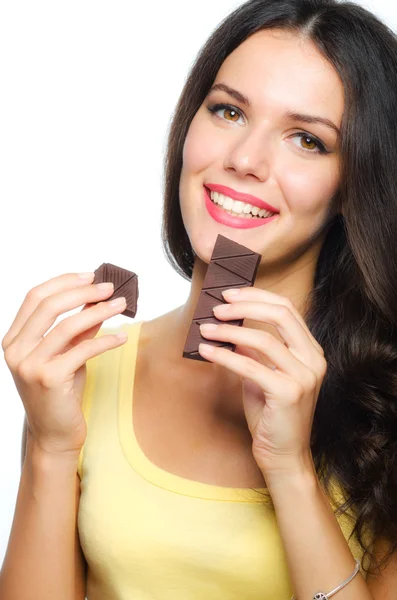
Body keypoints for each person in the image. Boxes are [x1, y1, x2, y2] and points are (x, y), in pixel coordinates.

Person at [1, 0, 397, 598]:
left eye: (307, 140)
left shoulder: (386, 404)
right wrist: (48, 446)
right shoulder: (88, 368)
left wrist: (289, 471)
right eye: (229, 110)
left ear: (353, 185)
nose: (244, 160)